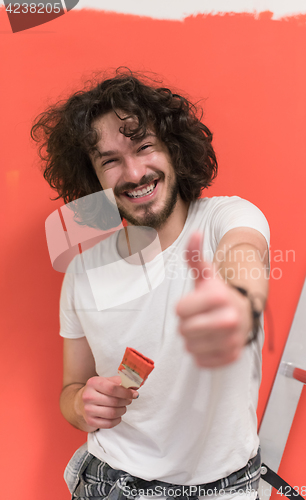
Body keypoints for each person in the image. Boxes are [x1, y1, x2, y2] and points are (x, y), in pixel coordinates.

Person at [31, 69, 270, 500]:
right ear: (93, 179)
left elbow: (245, 254)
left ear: (174, 151)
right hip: (111, 483)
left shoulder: (224, 219)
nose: (134, 172)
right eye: (110, 160)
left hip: (227, 488)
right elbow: (71, 389)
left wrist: (237, 302)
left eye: (144, 147)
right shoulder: (83, 273)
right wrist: (83, 405)